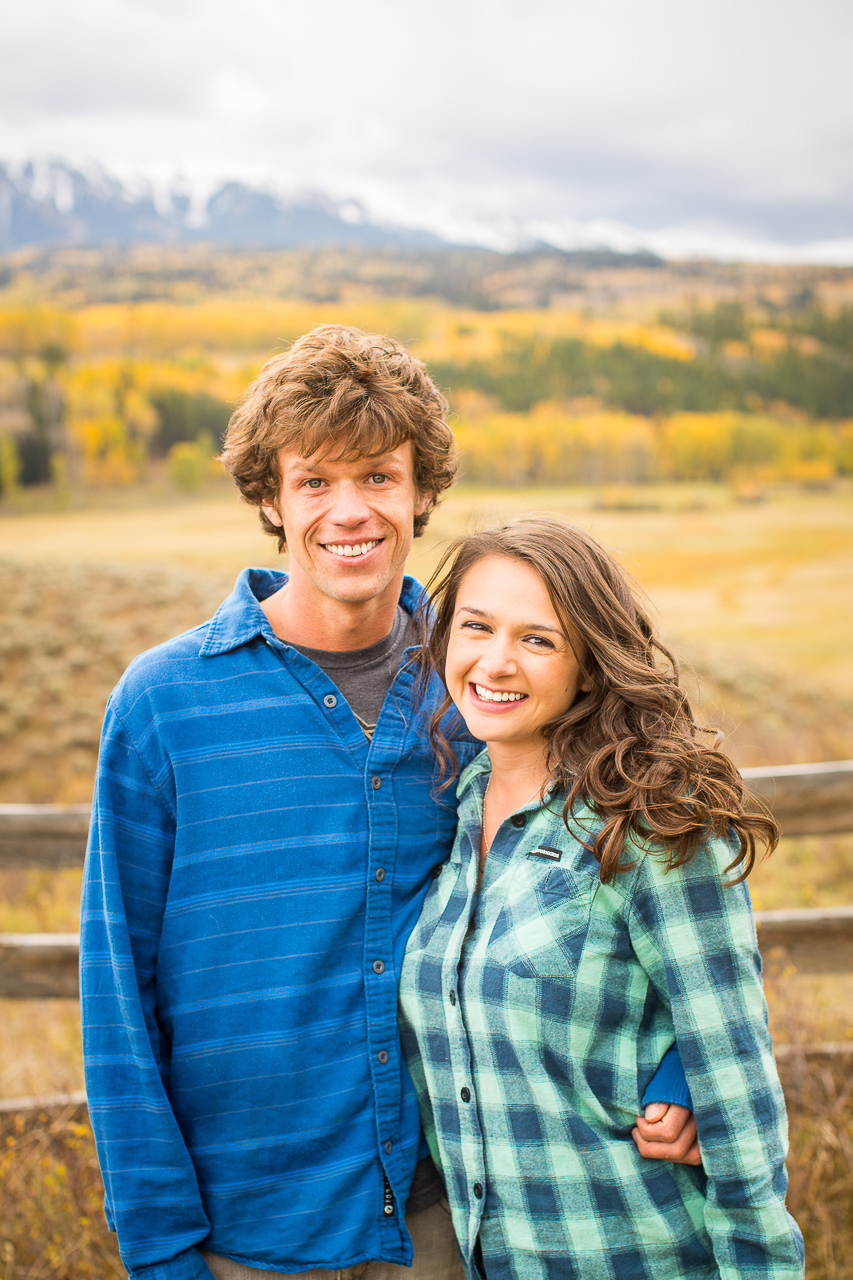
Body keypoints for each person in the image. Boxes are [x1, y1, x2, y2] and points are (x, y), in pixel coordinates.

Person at [80, 327, 697, 1280]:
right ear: (269, 501)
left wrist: (685, 1060)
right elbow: (118, 985)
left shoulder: (483, 681)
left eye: (377, 476)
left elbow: (646, 842)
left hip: (451, 1216)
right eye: (313, 481)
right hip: (243, 1233)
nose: (349, 511)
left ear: (421, 493)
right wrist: (159, 1247)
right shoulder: (164, 703)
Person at [399, 516, 804, 1280]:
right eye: (476, 626)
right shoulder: (456, 808)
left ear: (588, 664)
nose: (495, 660)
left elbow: (736, 1081)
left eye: (537, 640)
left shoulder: (647, 823)